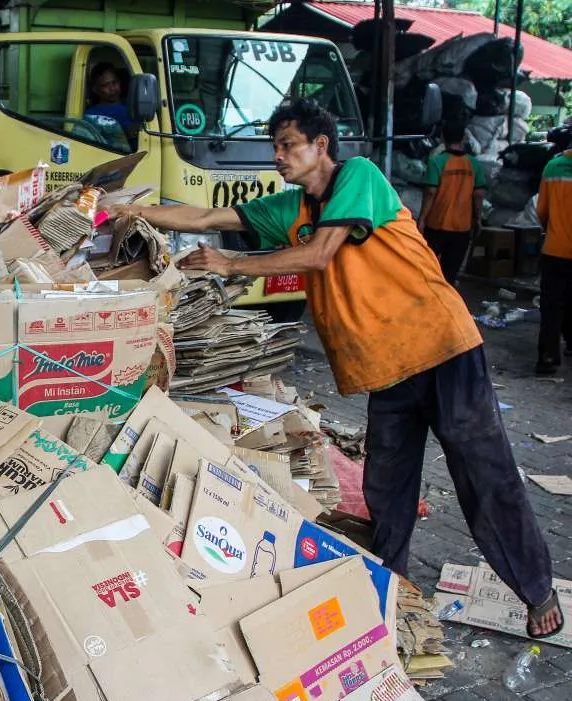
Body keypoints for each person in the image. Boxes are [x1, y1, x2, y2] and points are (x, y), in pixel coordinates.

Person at [109, 98, 562, 638]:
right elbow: (207, 216)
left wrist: (233, 263)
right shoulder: (290, 209)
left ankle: (536, 590)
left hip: (442, 347)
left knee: (483, 474)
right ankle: (389, 588)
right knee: (387, 485)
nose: (278, 157)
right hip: (385, 367)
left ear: (320, 145)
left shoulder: (359, 176)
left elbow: (320, 254)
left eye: (288, 146)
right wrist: (130, 212)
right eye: (275, 146)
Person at [418, 122, 486, 284]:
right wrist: (477, 219)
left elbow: (430, 192)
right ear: (463, 138)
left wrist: (422, 218)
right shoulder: (474, 164)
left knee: (429, 268)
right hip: (462, 227)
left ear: (442, 138)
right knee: (451, 272)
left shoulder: (436, 162)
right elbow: (478, 194)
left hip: (437, 225)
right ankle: (448, 304)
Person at [536, 146, 572, 375]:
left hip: (556, 248)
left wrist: (553, 229)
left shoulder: (553, 167)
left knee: (552, 305)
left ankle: (548, 358)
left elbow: (542, 210)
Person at [85, 63, 134, 134]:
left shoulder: (133, 108)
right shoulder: (92, 115)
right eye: (105, 85)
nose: (112, 88)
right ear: (95, 89)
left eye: (114, 82)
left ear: (120, 82)